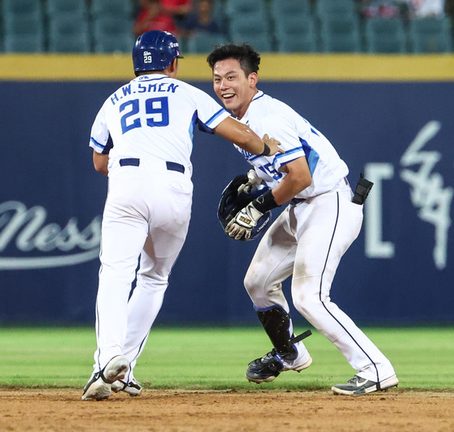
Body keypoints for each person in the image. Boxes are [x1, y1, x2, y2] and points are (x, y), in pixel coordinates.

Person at [82, 31, 282, 401]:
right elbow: (239, 134)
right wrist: (266, 145)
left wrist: (132, 168)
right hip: (174, 187)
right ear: (172, 63)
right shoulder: (186, 92)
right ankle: (120, 371)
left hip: (125, 181)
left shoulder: (113, 99)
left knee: (115, 272)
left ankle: (108, 358)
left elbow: (98, 160)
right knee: (154, 278)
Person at [206, 44, 399, 396]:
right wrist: (253, 182)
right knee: (258, 283)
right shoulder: (240, 121)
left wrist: (258, 205)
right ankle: (289, 352)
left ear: (252, 79)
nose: (223, 85)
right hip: (300, 209)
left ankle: (376, 369)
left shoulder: (268, 116)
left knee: (309, 296)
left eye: (232, 77)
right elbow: (278, 170)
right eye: (217, 79)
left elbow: (300, 177)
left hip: (329, 202)